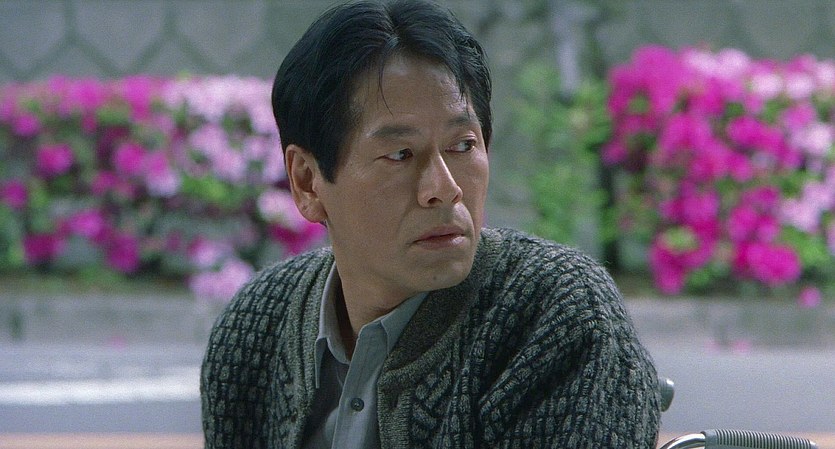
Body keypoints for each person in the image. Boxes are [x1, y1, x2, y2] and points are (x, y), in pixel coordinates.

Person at [200, 0, 661, 447]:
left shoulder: (553, 313)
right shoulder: (258, 326)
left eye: (463, 146)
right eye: (400, 154)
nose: (443, 188)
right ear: (307, 181)